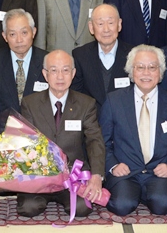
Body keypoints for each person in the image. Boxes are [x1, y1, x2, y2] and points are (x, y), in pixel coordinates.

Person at [100, 45, 167, 216]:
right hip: (126, 172)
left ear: (160, 72)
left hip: (159, 173)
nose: (146, 73)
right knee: (122, 205)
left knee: (163, 205)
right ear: (131, 71)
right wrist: (113, 165)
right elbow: (102, 142)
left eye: (152, 67)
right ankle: (134, 194)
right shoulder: (114, 101)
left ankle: (148, 194)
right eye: (140, 67)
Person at [18, 50, 105, 217]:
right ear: (45, 74)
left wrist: (96, 175)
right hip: (40, 176)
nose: (60, 76)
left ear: (73, 73)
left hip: (73, 176)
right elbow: (25, 141)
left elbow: (94, 140)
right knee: (28, 208)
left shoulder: (86, 103)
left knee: (82, 208)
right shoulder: (30, 103)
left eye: (65, 70)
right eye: (54, 70)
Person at [0, 9, 47, 112]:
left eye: (24, 33)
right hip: (2, 121)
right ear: (5, 37)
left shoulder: (47, 60)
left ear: (33, 32)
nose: (19, 40)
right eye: (12, 34)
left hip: (39, 121)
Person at [72, 4, 133, 108]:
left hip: (124, 115)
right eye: (100, 24)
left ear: (119, 24)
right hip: (90, 116)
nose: (106, 29)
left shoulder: (133, 55)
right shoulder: (80, 55)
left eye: (111, 23)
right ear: (91, 27)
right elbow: (76, 96)